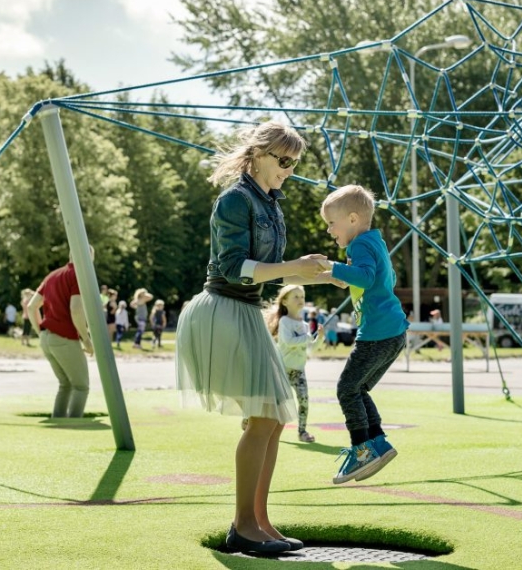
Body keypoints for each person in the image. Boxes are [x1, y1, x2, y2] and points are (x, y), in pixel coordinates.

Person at [175, 121, 336, 555]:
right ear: (260, 155)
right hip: (225, 309)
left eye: (294, 162)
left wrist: (324, 275)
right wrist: (294, 267)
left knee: (275, 419)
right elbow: (233, 268)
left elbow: (273, 273)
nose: (289, 168)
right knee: (264, 417)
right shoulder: (235, 199)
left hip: (245, 309)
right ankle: (243, 526)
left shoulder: (271, 204)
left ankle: (259, 522)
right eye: (284, 160)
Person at [320, 184, 409, 485]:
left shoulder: (357, 245)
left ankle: (361, 451)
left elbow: (367, 277)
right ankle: (379, 442)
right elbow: (386, 277)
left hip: (377, 333)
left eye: (332, 223)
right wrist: (343, 276)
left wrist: (335, 267)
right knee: (360, 389)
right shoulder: (375, 241)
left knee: (347, 389)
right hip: (394, 332)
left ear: (353, 219)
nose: (330, 231)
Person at [27, 251, 94, 418]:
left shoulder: (52, 275)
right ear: (88, 257)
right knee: (81, 386)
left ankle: (58, 422)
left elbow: (31, 307)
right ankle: (74, 427)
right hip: (64, 338)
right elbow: (76, 309)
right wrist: (86, 339)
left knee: (65, 384)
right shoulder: (78, 275)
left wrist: (41, 332)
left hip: (46, 337)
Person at [265, 285, 316, 443]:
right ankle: (248, 419)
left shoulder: (305, 325)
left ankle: (302, 431)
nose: (300, 300)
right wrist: (307, 337)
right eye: (296, 296)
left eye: (302, 296)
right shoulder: (285, 321)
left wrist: (318, 337)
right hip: (282, 370)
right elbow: (288, 341)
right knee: (271, 401)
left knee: (304, 401)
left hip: (299, 370)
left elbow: (311, 347)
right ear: (285, 301)